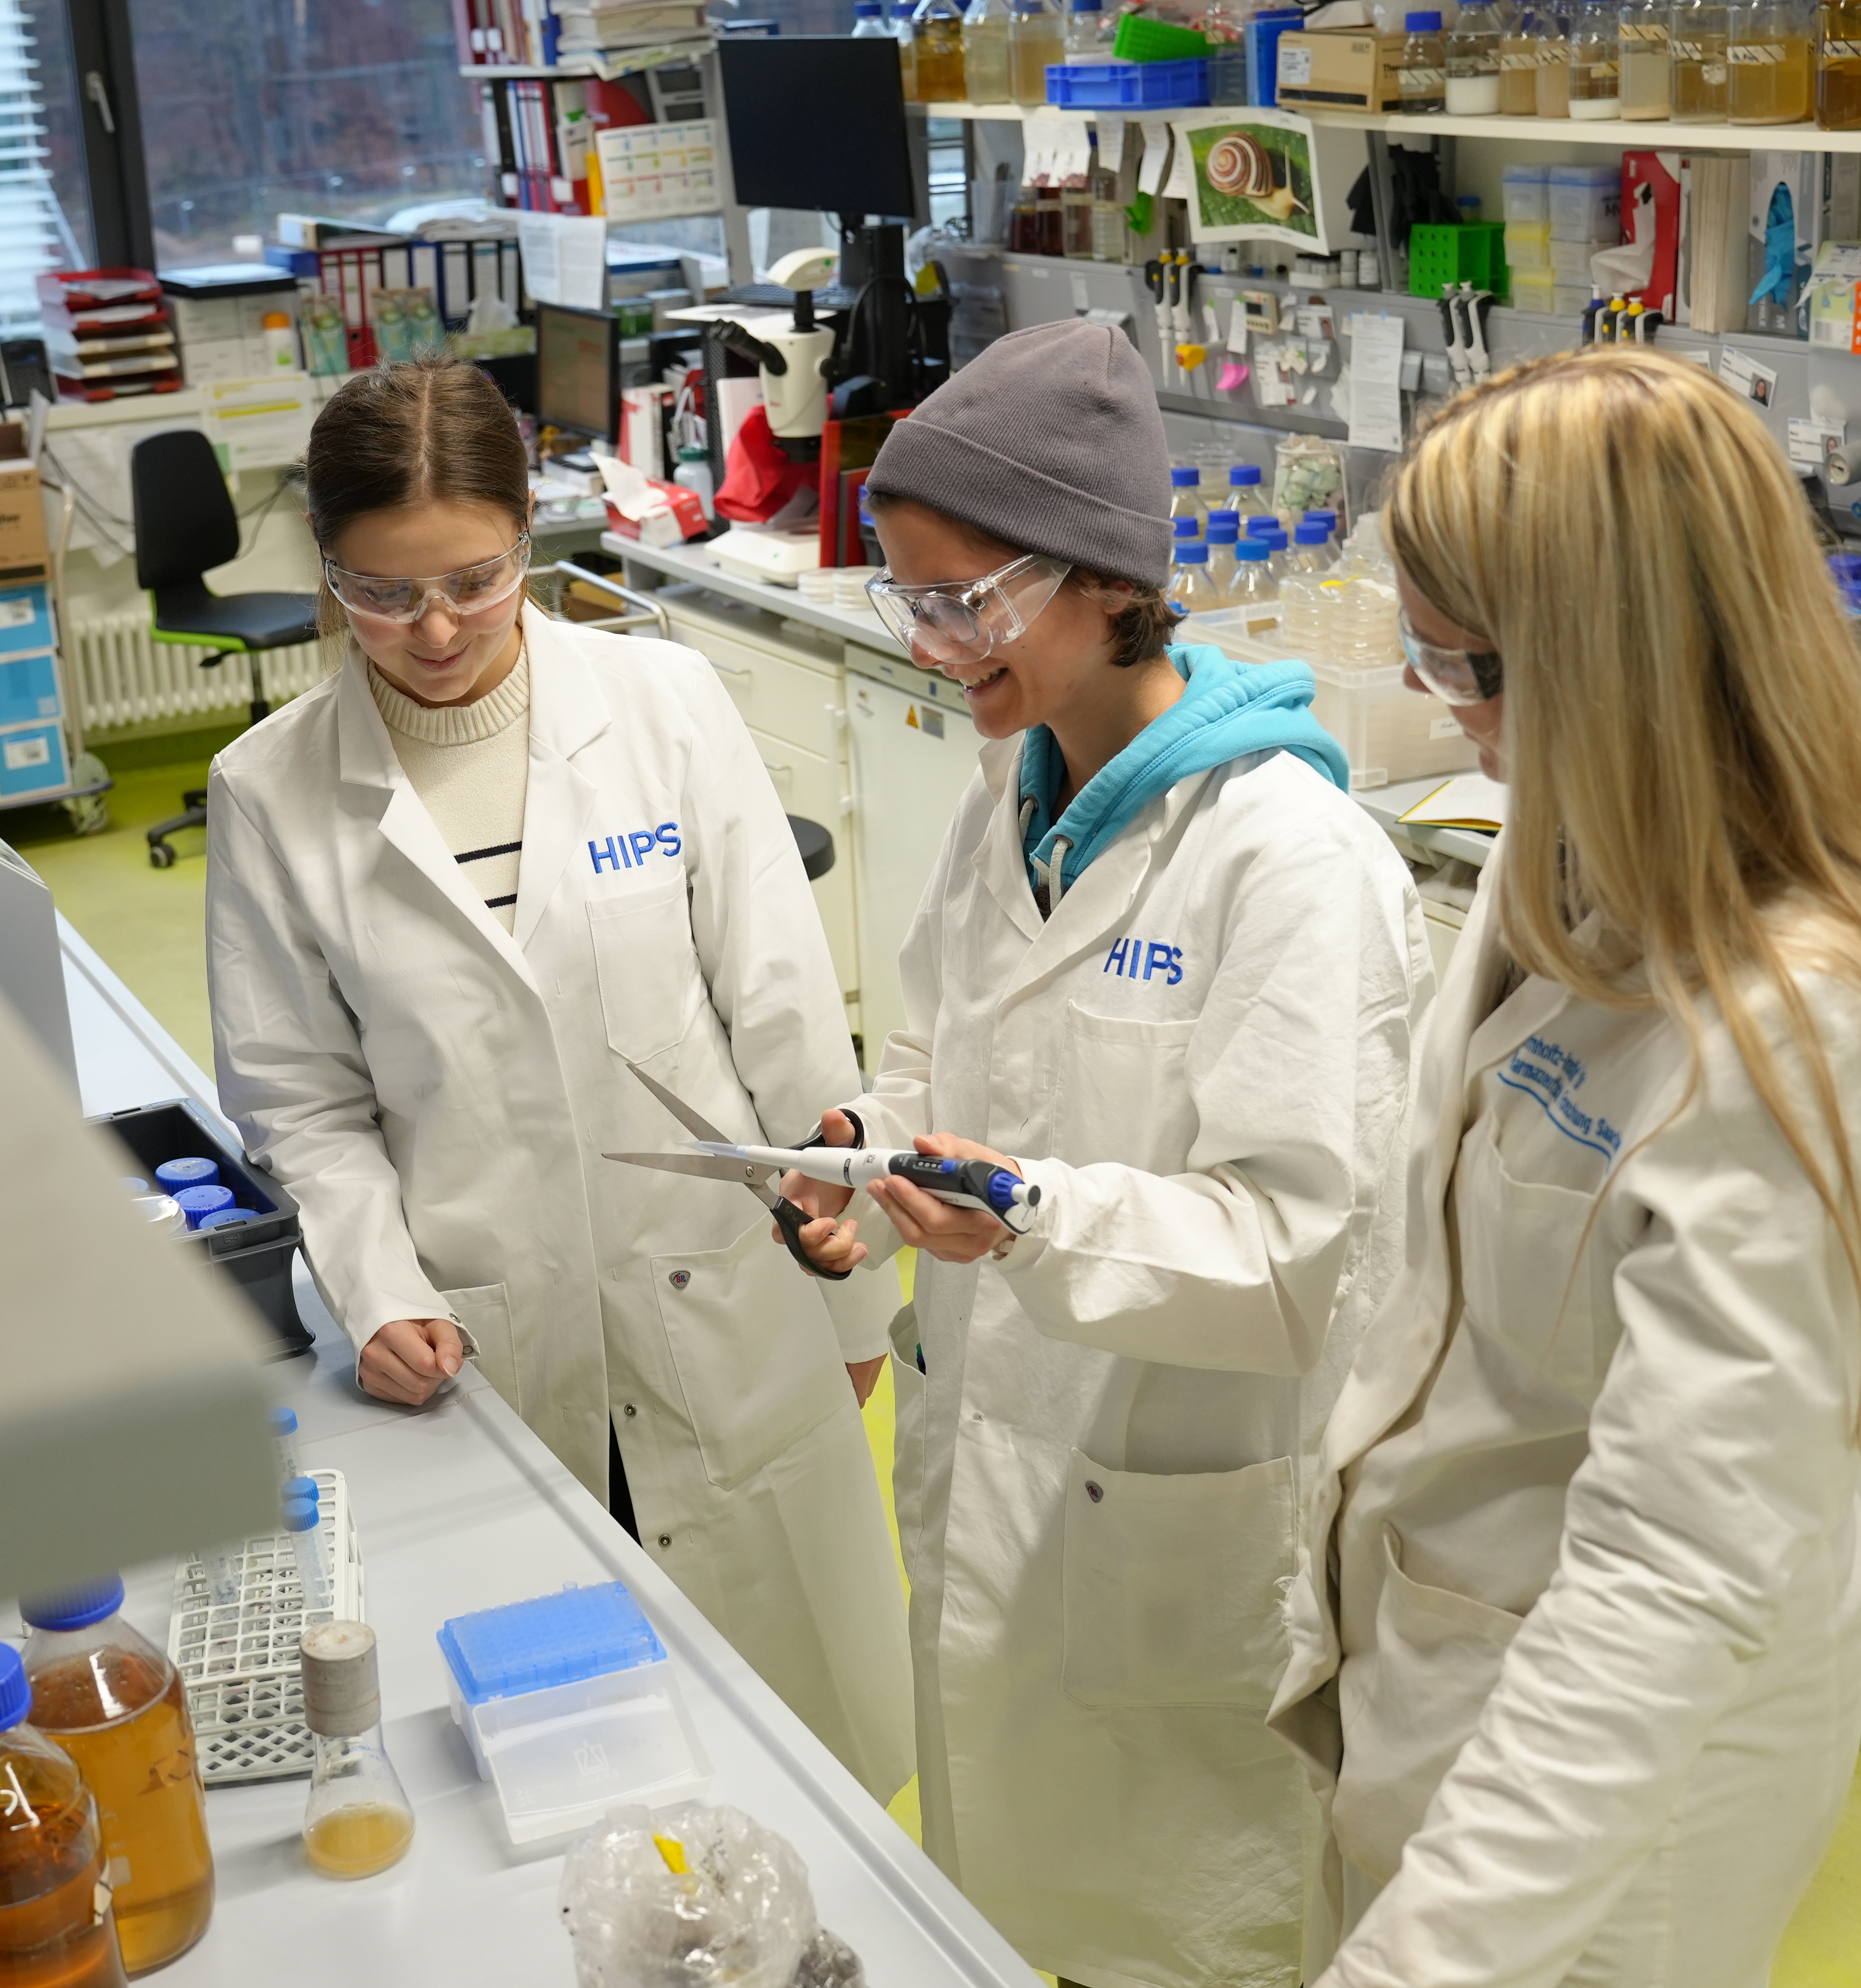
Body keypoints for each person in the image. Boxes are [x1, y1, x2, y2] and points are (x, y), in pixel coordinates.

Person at [1267, 346, 1861, 1986]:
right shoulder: (1566, 844)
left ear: (1614, 666)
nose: (1436, 697)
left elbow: (1674, 1570)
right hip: (1442, 1653)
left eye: (1459, 660)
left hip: (1607, 1802)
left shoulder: (1808, 1023)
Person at [785, 321, 1431, 1988]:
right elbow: (941, 1042)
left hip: (1173, 1497)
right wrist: (870, 1141)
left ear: (1101, 578)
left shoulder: (1290, 860)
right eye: (909, 599)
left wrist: (1034, 1220)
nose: (935, 646)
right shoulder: (1014, 795)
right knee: (1002, 1895)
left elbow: (1302, 1247)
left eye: (966, 602)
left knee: (1182, 1930)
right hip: (992, 1440)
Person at [202, 360, 913, 1796]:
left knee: (795, 1749)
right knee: (563, 1769)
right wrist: (379, 1285)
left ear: (531, 533)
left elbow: (781, 1020)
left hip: (724, 1295)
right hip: (485, 1323)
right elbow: (305, 1105)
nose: (440, 628)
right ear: (327, 570)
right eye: (382, 593)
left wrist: (855, 1293)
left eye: (475, 577)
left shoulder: (664, 705)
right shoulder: (272, 790)